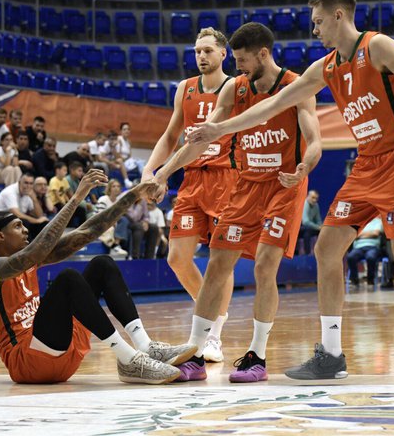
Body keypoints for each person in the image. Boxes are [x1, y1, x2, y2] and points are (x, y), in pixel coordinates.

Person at [188, 0, 394, 390]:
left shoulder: (377, 46)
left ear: (339, 16)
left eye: (317, 21)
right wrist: (220, 128)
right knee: (326, 248)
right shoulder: (327, 67)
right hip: (367, 163)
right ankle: (331, 355)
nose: (313, 30)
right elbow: (272, 106)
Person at [156, 21, 321, 383]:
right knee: (217, 265)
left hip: (284, 185)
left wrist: (304, 166)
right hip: (246, 185)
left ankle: (257, 356)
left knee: (264, 266)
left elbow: (315, 139)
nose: (238, 66)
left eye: (243, 59)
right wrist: (163, 172)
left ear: (263, 54)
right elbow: (202, 138)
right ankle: (196, 353)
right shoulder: (235, 88)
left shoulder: (296, 86)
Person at [0, 173, 195, 385]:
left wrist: (133, 195)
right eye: (18, 226)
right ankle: (128, 357)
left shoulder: (30, 260)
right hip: (29, 362)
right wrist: (75, 199)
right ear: (0, 236)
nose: (26, 230)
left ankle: (143, 346)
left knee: (102, 264)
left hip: (61, 351)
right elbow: (33, 252)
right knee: (68, 278)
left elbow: (88, 231)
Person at [141, 27, 237, 363]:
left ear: (224, 53)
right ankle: (211, 315)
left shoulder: (235, 88)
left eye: (208, 50)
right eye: (197, 51)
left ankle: (214, 336)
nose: (201, 56)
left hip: (228, 177)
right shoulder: (185, 89)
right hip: (192, 179)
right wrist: (148, 172)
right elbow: (170, 136)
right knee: (177, 258)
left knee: (219, 263)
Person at [0, 173, 48, 240]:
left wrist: (34, 199)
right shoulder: (9, 192)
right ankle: (28, 248)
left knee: (44, 223)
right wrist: (37, 221)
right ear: (19, 182)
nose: (28, 186)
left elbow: (39, 215)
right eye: (26, 183)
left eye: (31, 183)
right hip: (0, 221)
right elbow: (17, 214)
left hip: (15, 221)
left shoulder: (28, 192)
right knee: (25, 223)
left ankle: (42, 247)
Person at [346, 216, 383, 287]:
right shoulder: (359, 222)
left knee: (371, 257)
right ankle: (354, 281)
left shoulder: (378, 221)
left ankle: (370, 280)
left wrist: (361, 235)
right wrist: (369, 234)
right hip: (358, 247)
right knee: (351, 257)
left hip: (373, 246)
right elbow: (354, 235)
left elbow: (376, 233)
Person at [95, 179, 128, 257]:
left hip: (113, 222)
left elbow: (119, 216)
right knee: (112, 227)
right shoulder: (103, 199)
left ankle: (116, 245)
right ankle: (114, 246)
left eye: (118, 186)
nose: (116, 188)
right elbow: (99, 216)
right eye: (114, 186)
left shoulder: (119, 201)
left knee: (125, 221)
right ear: (109, 188)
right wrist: (111, 222)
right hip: (99, 222)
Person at [125, 192, 159, 260]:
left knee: (154, 228)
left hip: (139, 222)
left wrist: (145, 222)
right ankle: (135, 256)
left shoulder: (143, 200)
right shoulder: (126, 199)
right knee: (139, 227)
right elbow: (132, 217)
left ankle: (149, 257)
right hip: (127, 222)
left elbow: (146, 215)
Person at [300, 190, 322, 254]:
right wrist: (317, 227)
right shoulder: (305, 204)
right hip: (299, 227)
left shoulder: (316, 205)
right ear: (308, 197)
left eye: (316, 198)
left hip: (309, 227)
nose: (314, 200)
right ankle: (307, 254)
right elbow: (305, 222)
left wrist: (321, 226)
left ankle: (321, 252)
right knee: (307, 232)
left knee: (323, 231)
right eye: (313, 198)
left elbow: (318, 220)